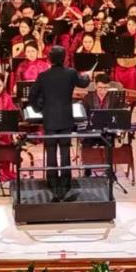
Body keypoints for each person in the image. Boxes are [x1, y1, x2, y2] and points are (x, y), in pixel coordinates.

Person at [30, 44, 90, 200]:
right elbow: (83, 83)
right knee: (65, 150)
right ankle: (65, 182)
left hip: (49, 118)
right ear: (64, 58)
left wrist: (39, 109)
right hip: (65, 118)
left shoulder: (43, 75)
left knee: (50, 150)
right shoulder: (71, 73)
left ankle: (51, 181)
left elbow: (32, 95)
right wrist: (87, 76)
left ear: (50, 59)